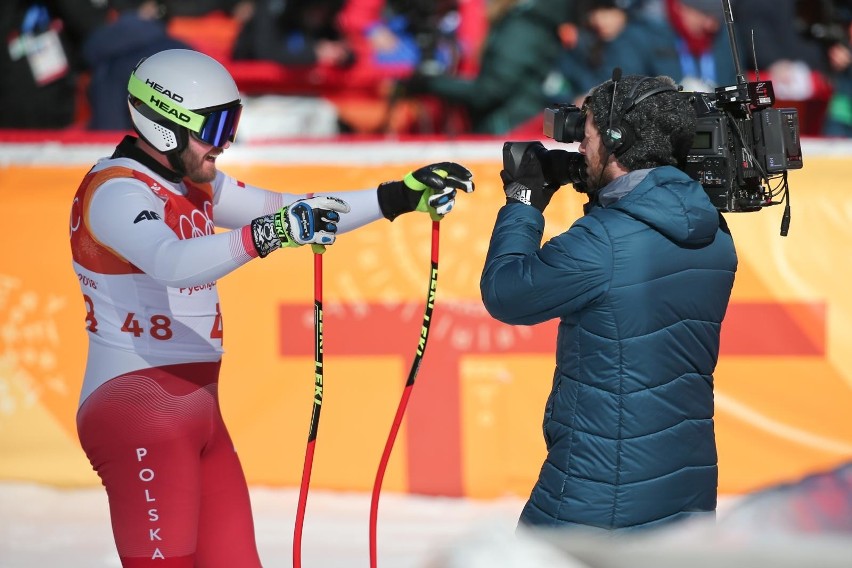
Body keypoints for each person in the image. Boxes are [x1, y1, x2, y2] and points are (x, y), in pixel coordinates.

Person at [69, 47, 473, 566]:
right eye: (214, 128)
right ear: (165, 127)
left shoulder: (195, 182)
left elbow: (287, 208)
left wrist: (397, 197)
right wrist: (265, 236)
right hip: (136, 410)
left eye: (231, 124)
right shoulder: (116, 192)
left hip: (196, 407)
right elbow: (172, 262)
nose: (225, 144)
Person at [480, 73, 738, 530]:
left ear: (618, 141)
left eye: (588, 134)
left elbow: (506, 294)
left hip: (596, 496)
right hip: (686, 490)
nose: (580, 146)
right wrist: (598, 187)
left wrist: (524, 200)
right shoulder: (713, 230)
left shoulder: (603, 242)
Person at [83, 0, 190, 131]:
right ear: (151, 7)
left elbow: (108, 124)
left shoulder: (107, 59)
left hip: (118, 139)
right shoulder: (183, 52)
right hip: (179, 141)